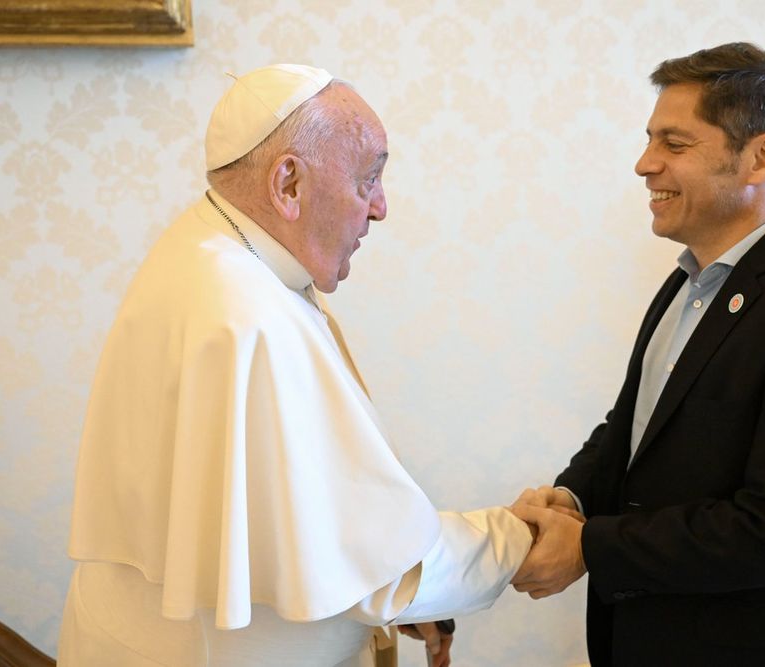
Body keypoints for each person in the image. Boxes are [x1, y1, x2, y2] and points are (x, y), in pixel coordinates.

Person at [58, 64, 532, 667]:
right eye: (368, 180)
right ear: (288, 184)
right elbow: (375, 570)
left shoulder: (211, 256)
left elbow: (317, 537)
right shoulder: (242, 310)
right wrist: (522, 541)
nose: (381, 208)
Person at [510, 43, 765, 667]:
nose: (644, 164)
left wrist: (591, 547)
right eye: (649, 140)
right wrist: (572, 499)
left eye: (675, 143)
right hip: (643, 635)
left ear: (763, 157)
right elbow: (633, 432)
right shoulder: (685, 283)